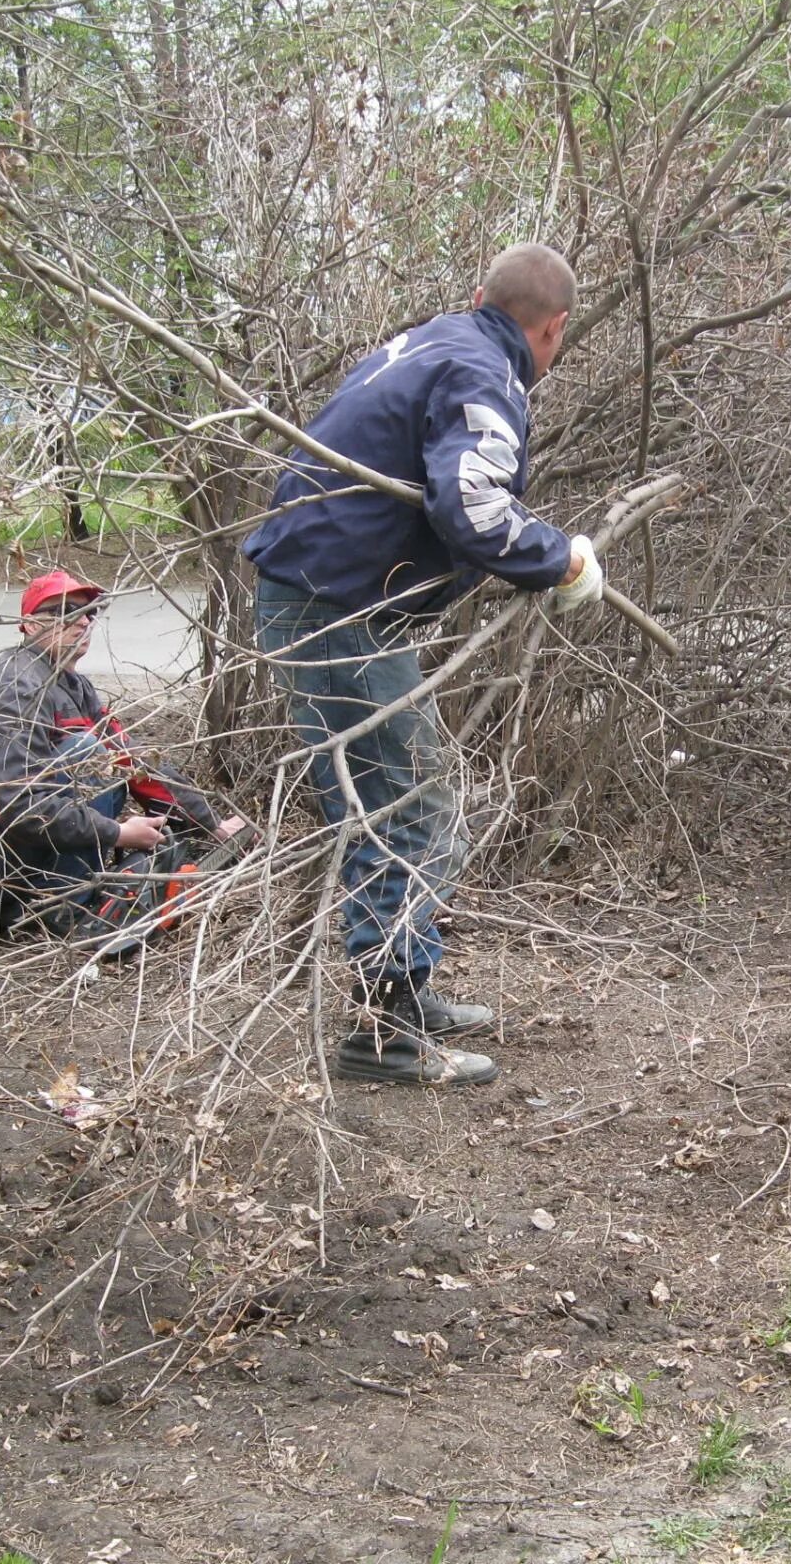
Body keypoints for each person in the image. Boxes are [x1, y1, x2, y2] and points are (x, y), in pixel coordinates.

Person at [244, 243, 606, 1086]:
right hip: (337, 611)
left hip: (319, 597)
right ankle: (384, 1034)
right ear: (552, 330)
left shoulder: (438, 341)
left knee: (402, 804)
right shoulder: (485, 373)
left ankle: (404, 993)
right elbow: (473, 507)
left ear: (481, 294)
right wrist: (563, 563)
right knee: (406, 812)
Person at [0, 569, 247, 954]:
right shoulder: (15, 689)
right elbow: (21, 807)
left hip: (0, 849)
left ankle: (30, 904)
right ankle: (64, 909)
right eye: (65, 612)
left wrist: (210, 824)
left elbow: (133, 761)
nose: (83, 621)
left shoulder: (70, 684)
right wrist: (119, 834)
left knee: (98, 754)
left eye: (89, 611)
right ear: (29, 624)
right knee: (87, 755)